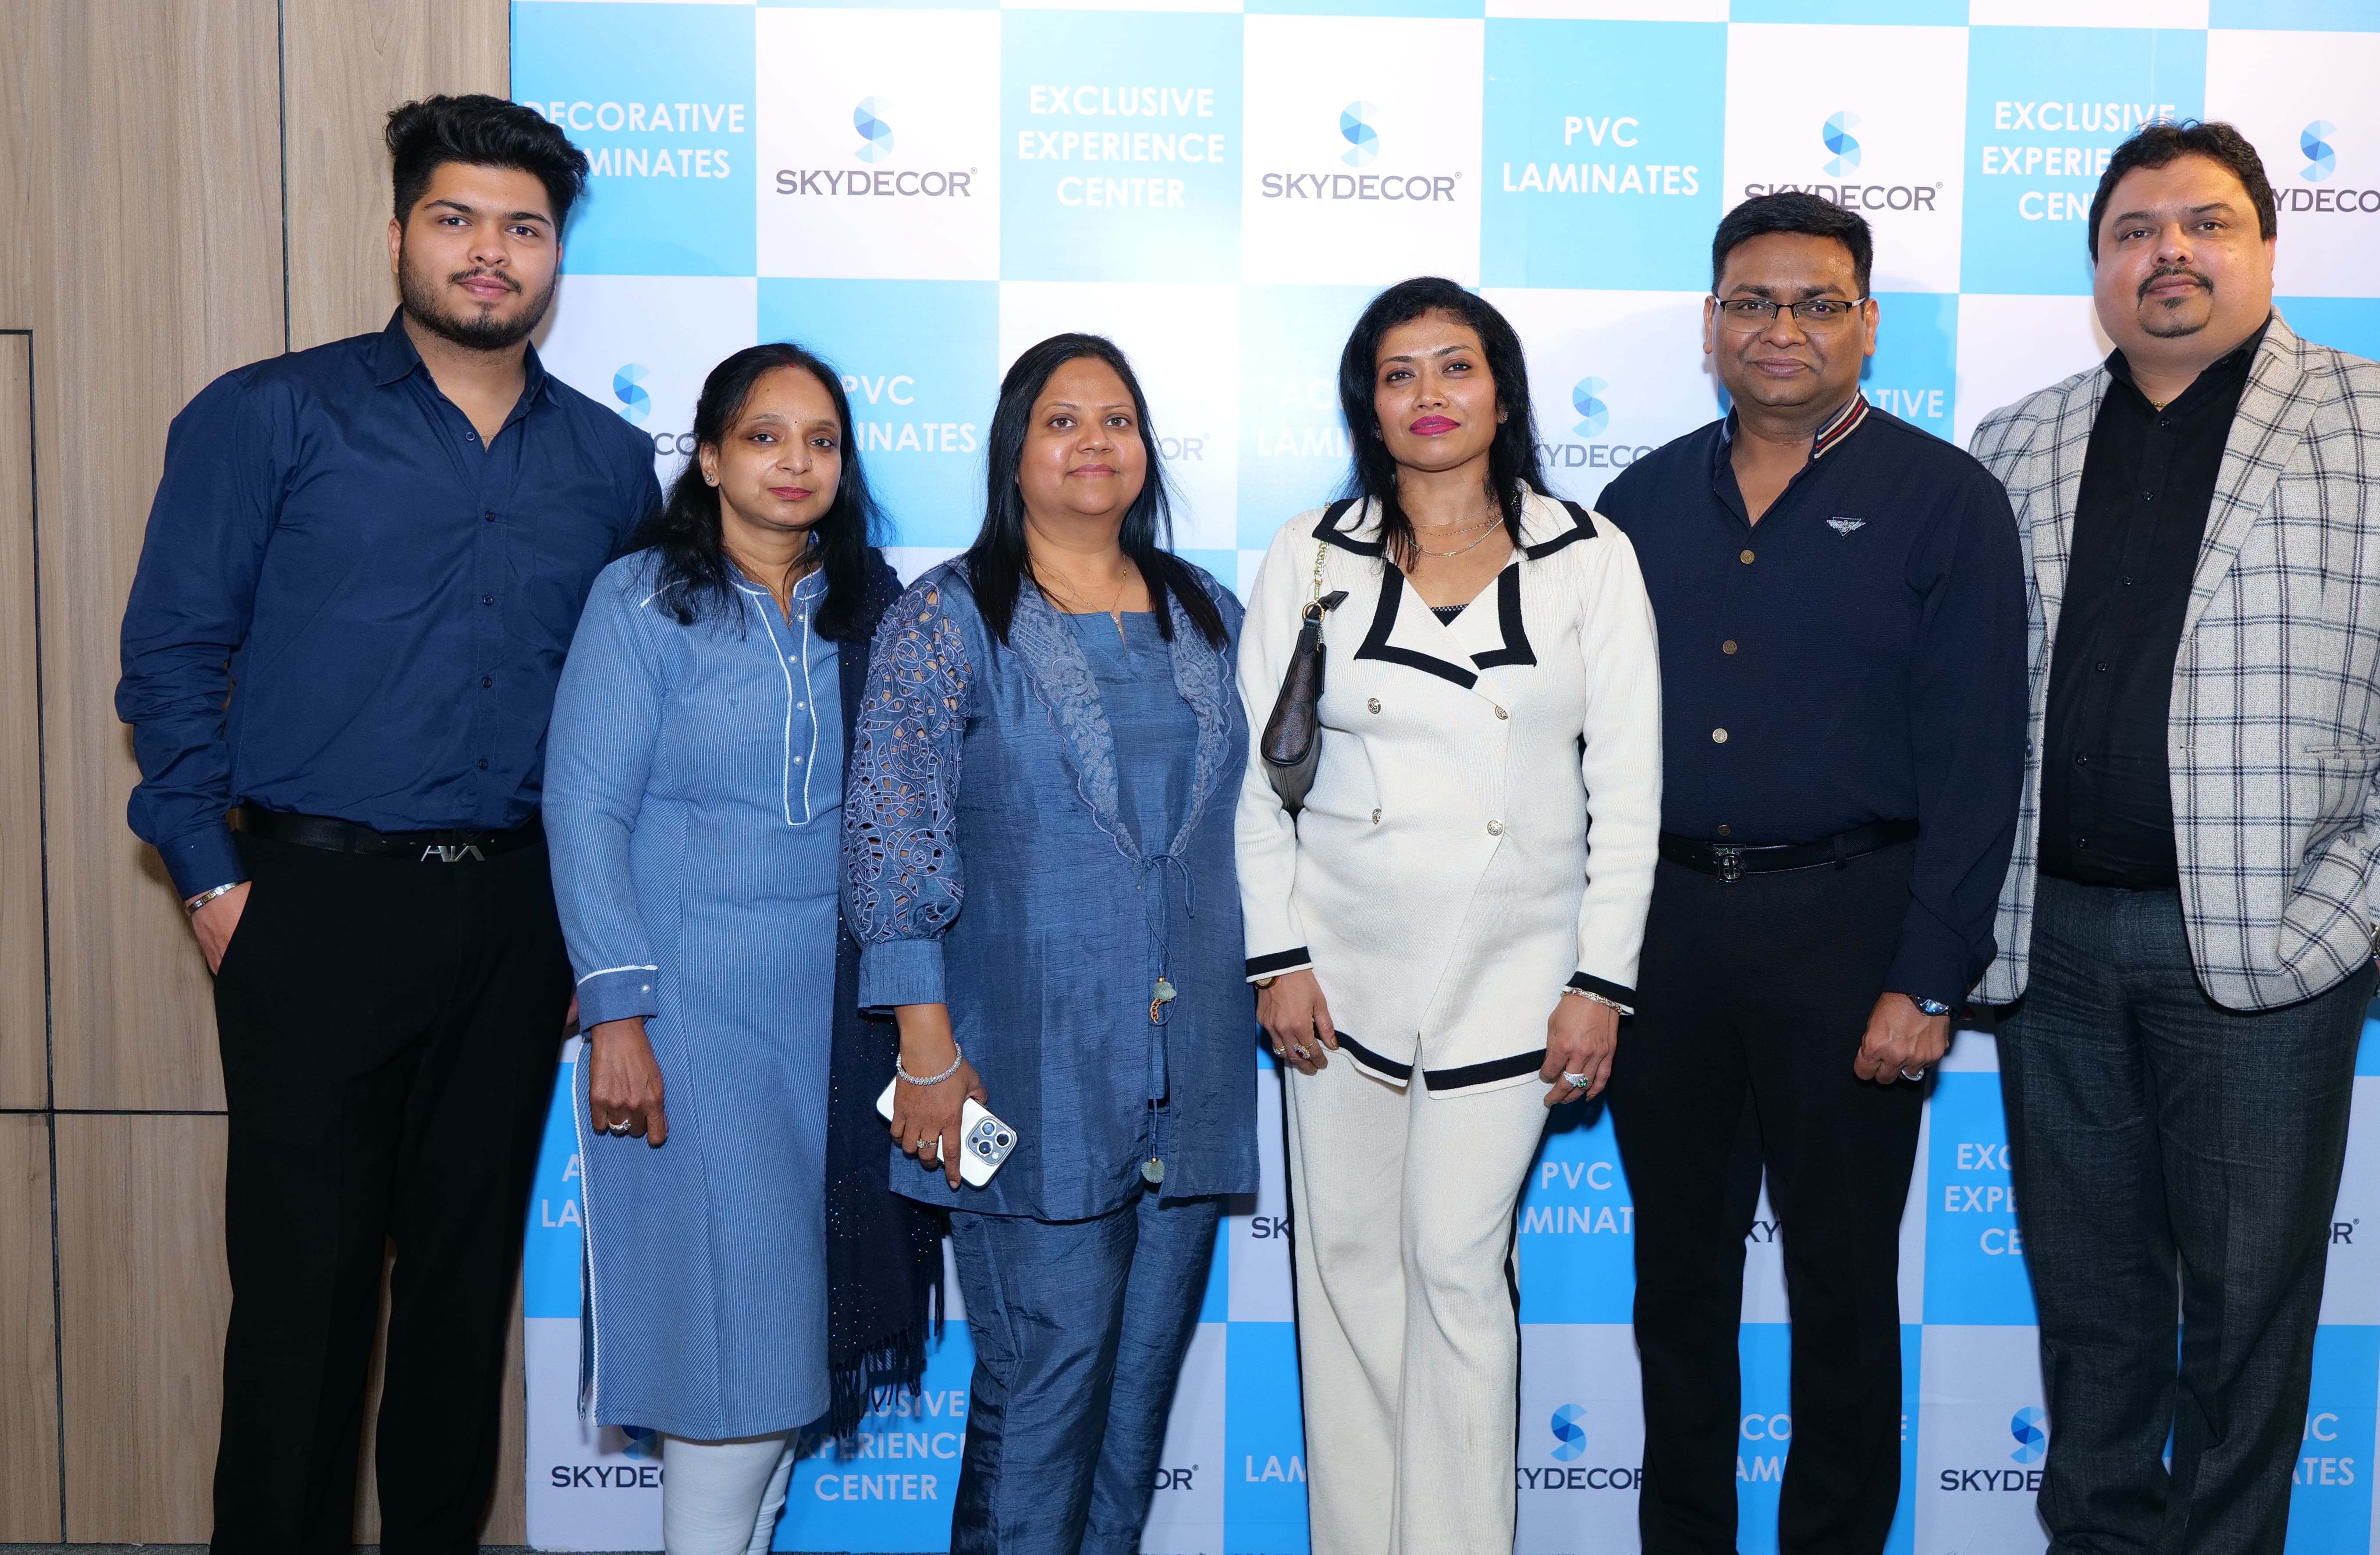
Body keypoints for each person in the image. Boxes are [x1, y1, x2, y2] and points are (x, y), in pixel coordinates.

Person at [114, 95, 659, 1554]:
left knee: (462, 1303)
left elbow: (628, 722)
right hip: (312, 904)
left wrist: (591, 930)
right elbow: (170, 657)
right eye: (456, 219)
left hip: (518, 918)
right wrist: (213, 877)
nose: (490, 253)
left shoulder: (611, 465)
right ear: (401, 231)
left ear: (556, 256)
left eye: (523, 229)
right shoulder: (268, 416)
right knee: (302, 1304)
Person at [1968, 119, 2380, 1555]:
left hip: (2273, 953)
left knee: (2246, 1328)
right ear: (2098, 266)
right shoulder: (2015, 442)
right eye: (2134, 230)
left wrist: (2355, 923)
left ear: (2265, 247)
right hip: (2051, 951)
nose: (2170, 251)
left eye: (2205, 223)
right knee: (2090, 1318)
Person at [1597, 193, 2026, 1555]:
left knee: (1842, 1289)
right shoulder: (1635, 504)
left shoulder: (1946, 501)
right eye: (1753, 302)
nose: (1781, 329)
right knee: (1678, 1284)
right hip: (1664, 935)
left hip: (1853, 936)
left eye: (1817, 303)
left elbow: (1980, 759)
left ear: (1867, 324)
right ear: (1711, 322)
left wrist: (1929, 976)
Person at [1236, 277, 1662, 1555]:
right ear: (1368, 406)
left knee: (1457, 1267)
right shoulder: (1313, 551)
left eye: (1456, 367)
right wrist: (1277, 956)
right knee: (1348, 1276)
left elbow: (1629, 792)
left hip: (1518, 978)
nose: (1430, 395)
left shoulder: (1589, 554)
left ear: (1504, 394)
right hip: (1338, 975)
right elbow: (1261, 783)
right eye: (1400, 373)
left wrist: (1602, 980)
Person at [845, 333, 1257, 1554]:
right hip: (1025, 1071)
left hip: (1192, 1072)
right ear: (1013, 454)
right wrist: (926, 1050)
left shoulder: (1208, 611)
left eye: (1117, 420)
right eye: (1061, 421)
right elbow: (892, 835)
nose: (1094, 443)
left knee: (1133, 1414)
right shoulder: (948, 616)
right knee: (1042, 1394)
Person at [544, 344, 942, 1555]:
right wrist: (619, 1016)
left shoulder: (872, 608)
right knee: (734, 1337)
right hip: (691, 1009)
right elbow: (584, 811)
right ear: (711, 457)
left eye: (821, 441)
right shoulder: (644, 599)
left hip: (832, 1016)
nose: (794, 463)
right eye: (765, 437)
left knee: (794, 1332)